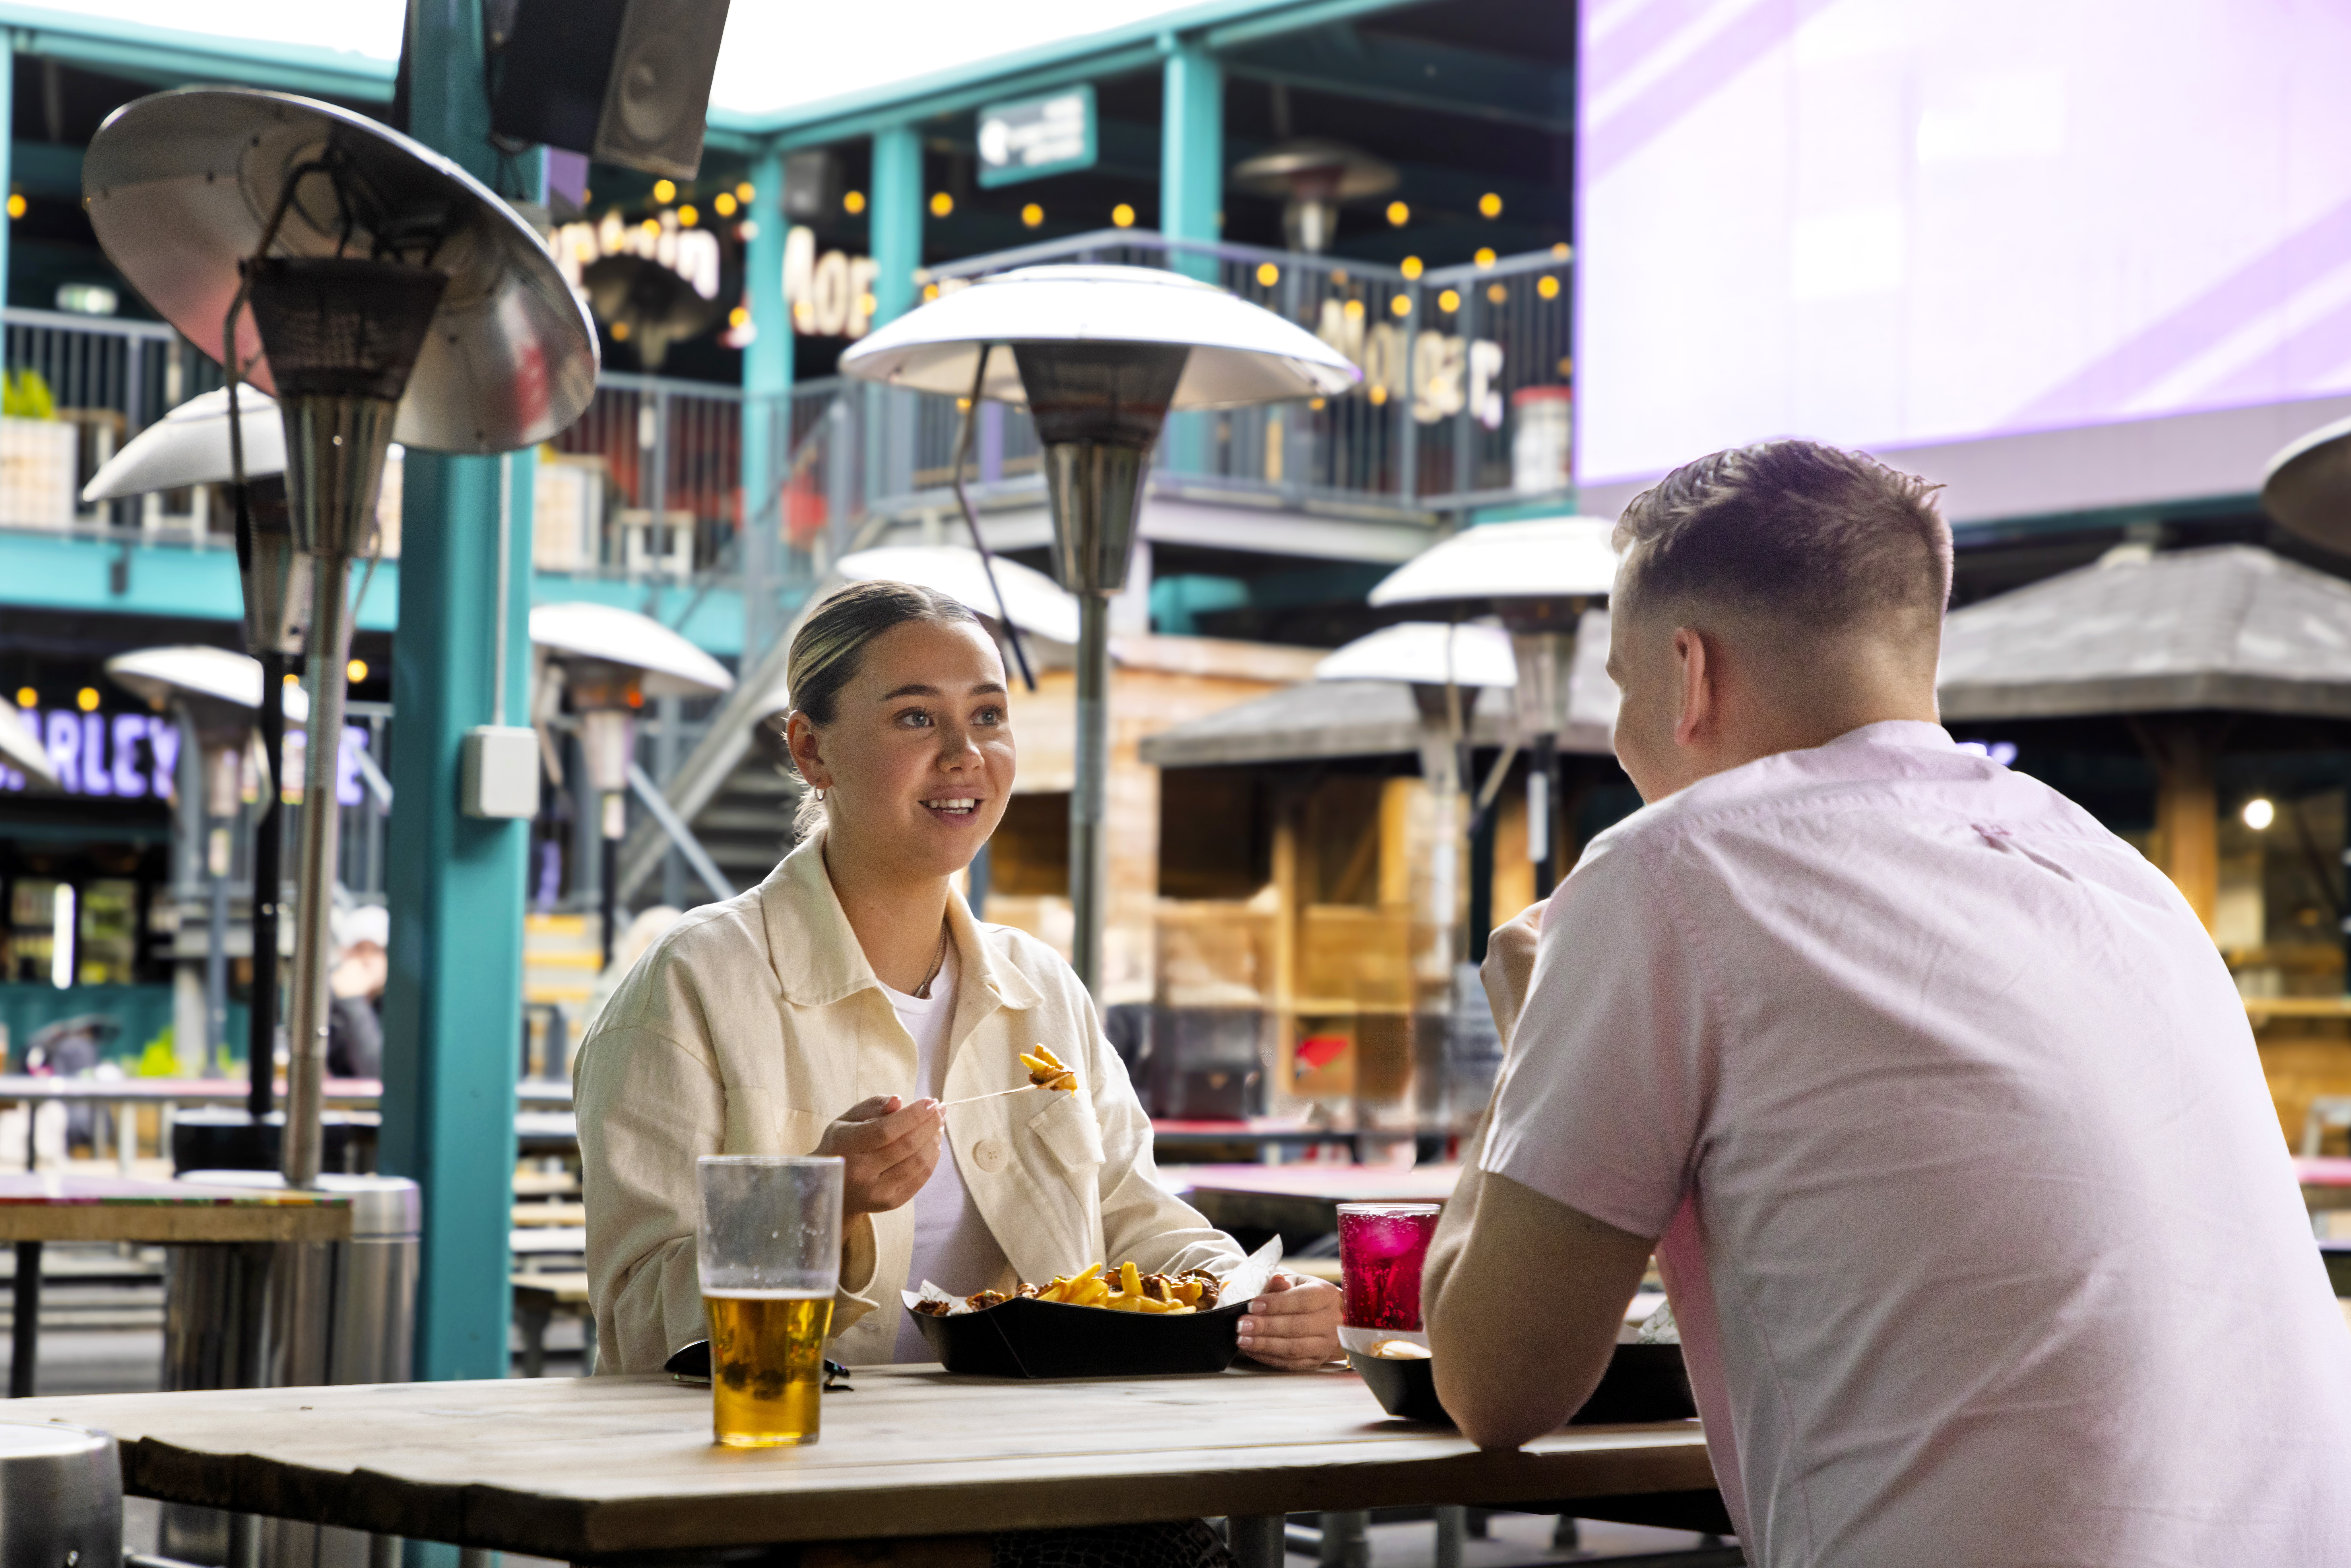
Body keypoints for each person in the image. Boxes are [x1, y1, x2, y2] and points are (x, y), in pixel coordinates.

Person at [1423, 440, 2351, 1566]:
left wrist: (1532, 1052)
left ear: (1686, 673)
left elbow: (1493, 1384)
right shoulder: (2121, 880)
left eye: (1621, 690)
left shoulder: (1667, 872)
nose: (1619, 739)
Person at [574, 580, 1339, 1373]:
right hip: (789, 1464)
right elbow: (638, 1322)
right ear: (811, 749)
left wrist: (1255, 1297)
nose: (965, 754)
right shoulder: (693, 983)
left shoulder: (1041, 989)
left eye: (988, 716)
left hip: (1032, 1465)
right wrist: (816, 1205)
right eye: (916, 717)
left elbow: (1134, 1222)